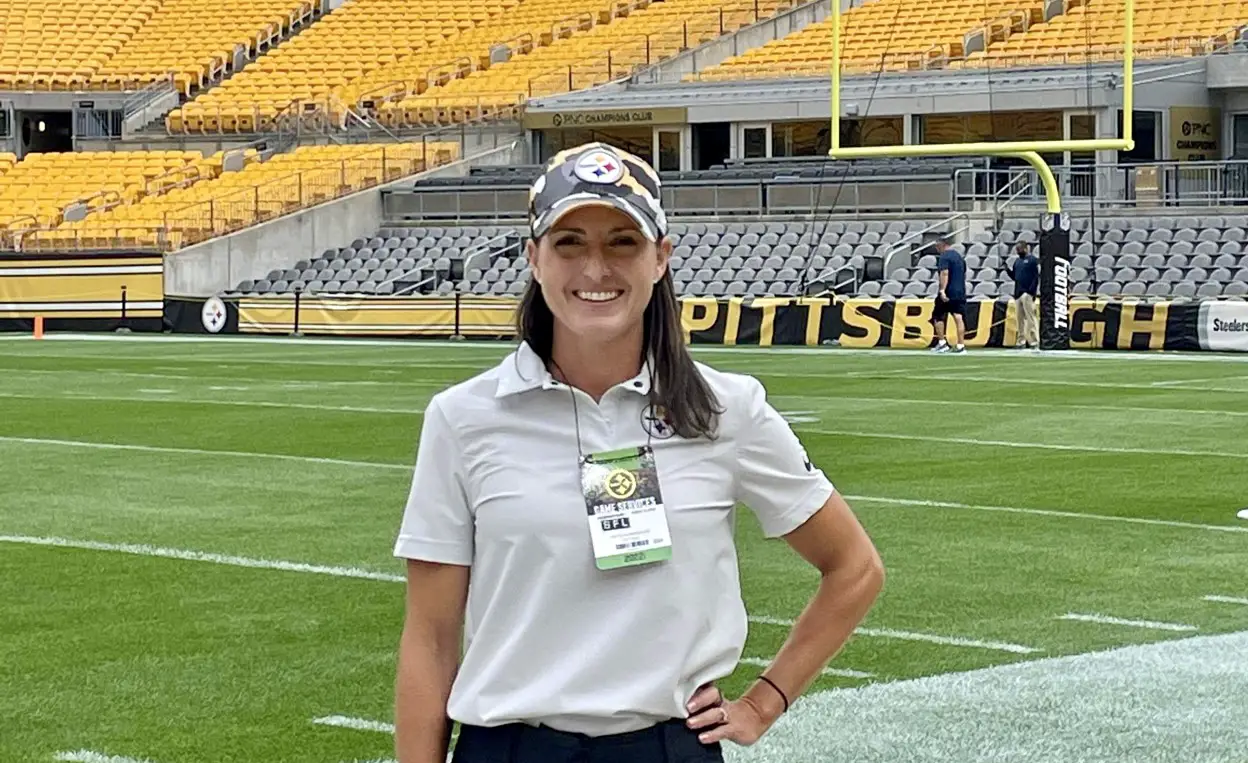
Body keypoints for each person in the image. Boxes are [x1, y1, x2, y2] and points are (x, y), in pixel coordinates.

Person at [392, 142, 885, 763]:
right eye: (569, 242)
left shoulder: (725, 409)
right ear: (533, 259)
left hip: (665, 748)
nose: (595, 268)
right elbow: (431, 640)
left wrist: (765, 701)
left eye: (622, 241)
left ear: (661, 258)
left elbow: (855, 568)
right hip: (511, 748)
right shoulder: (463, 418)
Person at [931, 237, 968, 353]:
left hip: (948, 291)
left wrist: (942, 290)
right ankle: (961, 345)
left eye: (937, 247)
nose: (937, 249)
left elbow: (944, 273)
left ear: (942, 245)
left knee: (938, 315)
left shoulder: (944, 257)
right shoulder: (959, 257)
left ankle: (942, 343)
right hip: (960, 290)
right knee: (958, 317)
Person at [1007, 241, 1040, 349]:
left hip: (1027, 294)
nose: (1018, 251)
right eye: (1017, 249)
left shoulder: (1032, 260)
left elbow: (1036, 277)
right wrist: (1007, 270)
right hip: (1018, 293)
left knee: (1030, 318)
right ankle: (1021, 341)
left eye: (1020, 249)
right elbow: (1014, 277)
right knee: (1019, 319)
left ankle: (1034, 341)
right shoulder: (1017, 262)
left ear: (1026, 249)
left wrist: (1031, 292)